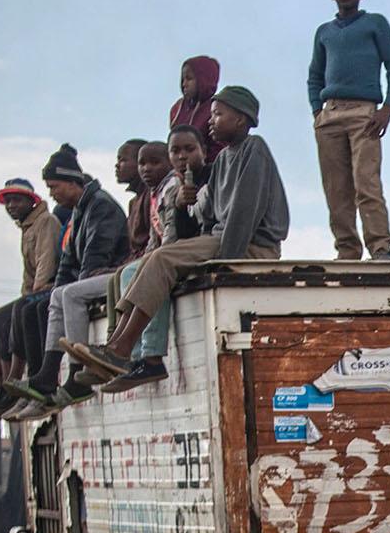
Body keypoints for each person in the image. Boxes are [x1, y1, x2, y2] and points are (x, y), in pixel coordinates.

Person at [67, 88, 289, 385]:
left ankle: (121, 348)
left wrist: (227, 261)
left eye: (218, 114)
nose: (211, 121)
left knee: (162, 258)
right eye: (211, 114)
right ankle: (116, 346)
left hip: (250, 245)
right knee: (145, 264)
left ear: (241, 119)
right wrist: (190, 202)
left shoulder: (254, 150)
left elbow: (244, 211)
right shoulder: (223, 160)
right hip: (225, 239)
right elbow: (207, 211)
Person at [6, 145, 130, 415]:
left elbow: (97, 256)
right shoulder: (80, 210)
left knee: (70, 294)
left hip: (116, 274)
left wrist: (69, 286)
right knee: (58, 295)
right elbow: (69, 262)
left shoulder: (101, 206)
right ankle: (47, 374)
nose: (51, 194)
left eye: (54, 186)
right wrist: (59, 287)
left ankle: (76, 373)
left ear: (73, 182)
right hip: (96, 276)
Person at [101, 123, 210, 394]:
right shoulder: (156, 194)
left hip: (189, 248)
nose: (182, 156)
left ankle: (145, 353)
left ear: (203, 151)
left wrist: (152, 257)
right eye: (176, 151)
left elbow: (179, 234)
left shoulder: (183, 184)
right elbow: (156, 237)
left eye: (189, 149)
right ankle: (128, 352)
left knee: (156, 265)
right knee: (127, 273)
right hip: (173, 248)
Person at [309, 0, 390, 261]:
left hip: (365, 113)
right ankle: (347, 249)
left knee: (367, 183)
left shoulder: (375, 23)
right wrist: (317, 112)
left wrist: (388, 107)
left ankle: (380, 246)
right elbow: (315, 75)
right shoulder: (324, 32)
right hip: (331, 113)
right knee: (336, 189)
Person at [0, 179, 61, 420]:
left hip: (50, 285)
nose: (11, 205)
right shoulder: (26, 228)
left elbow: (46, 260)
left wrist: (35, 290)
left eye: (17, 200)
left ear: (30, 201)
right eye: (8, 201)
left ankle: (16, 379)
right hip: (34, 289)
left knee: (20, 311)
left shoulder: (46, 222)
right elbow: (27, 274)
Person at [168, 55, 221, 153]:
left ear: (204, 79)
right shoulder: (177, 109)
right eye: (183, 79)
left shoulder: (217, 109)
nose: (184, 84)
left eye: (189, 79)